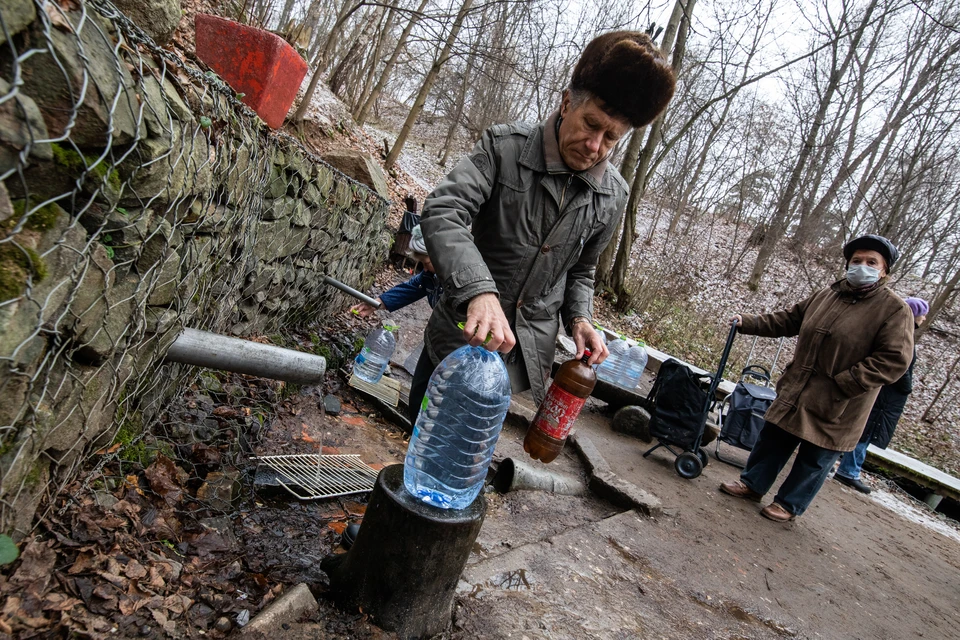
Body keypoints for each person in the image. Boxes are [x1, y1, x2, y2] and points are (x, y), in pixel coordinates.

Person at [412, 31, 676, 425]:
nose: (594, 145)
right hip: (458, 337)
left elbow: (582, 270)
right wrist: (480, 292)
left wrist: (581, 320)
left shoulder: (612, 196)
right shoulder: (505, 149)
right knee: (412, 440)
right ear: (567, 102)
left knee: (465, 456)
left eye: (611, 139)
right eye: (591, 125)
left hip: (519, 356)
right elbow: (444, 209)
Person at [720, 234, 915, 522]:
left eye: (871, 262)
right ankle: (752, 484)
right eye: (856, 260)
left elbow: (894, 359)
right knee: (773, 438)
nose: (863, 266)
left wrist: (848, 382)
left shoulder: (895, 309)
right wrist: (748, 322)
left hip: (842, 399)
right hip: (799, 387)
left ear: (884, 270)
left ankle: (789, 504)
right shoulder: (827, 295)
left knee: (817, 454)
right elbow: (788, 320)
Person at [833, 296, 928, 494]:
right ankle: (849, 471)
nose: (925, 319)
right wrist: (907, 386)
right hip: (883, 397)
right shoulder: (901, 336)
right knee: (864, 432)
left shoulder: (903, 333)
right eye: (922, 314)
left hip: (883, 396)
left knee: (862, 431)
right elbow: (898, 370)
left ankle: (846, 469)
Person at [350, 225, 442, 317]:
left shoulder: (454, 283)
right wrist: (375, 304)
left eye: (427, 263)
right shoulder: (429, 275)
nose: (424, 269)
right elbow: (412, 288)